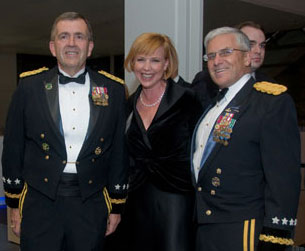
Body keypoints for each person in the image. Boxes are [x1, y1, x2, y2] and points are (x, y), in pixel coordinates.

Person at [2, 12, 128, 251]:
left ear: (89, 47)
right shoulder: (28, 87)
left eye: (79, 37)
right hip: (40, 201)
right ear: (53, 46)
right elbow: (13, 147)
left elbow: (119, 152)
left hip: (90, 201)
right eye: (64, 37)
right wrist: (13, 202)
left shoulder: (113, 89)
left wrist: (116, 205)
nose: (71, 43)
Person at [192, 27, 300, 251]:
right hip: (208, 226)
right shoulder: (215, 106)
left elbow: (283, 177)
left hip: (246, 228)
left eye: (226, 52)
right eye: (211, 56)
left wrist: (276, 235)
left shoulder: (270, 103)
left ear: (248, 56)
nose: (217, 61)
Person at [123, 32, 202, 251]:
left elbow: (203, 151)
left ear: (166, 63)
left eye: (155, 60)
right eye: (141, 59)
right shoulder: (129, 105)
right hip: (137, 199)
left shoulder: (187, 99)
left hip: (176, 199)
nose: (146, 68)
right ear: (132, 62)